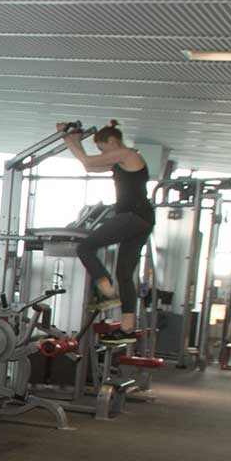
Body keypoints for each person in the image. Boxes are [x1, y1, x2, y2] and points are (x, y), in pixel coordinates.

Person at [59, 120, 153, 343]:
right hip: (143, 220)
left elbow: (88, 162)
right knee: (125, 274)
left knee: (85, 247)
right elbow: (89, 165)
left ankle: (106, 292)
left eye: (102, 148)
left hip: (132, 217)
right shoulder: (122, 161)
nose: (103, 153)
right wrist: (71, 141)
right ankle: (128, 328)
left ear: (112, 141)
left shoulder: (127, 154)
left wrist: (68, 138)